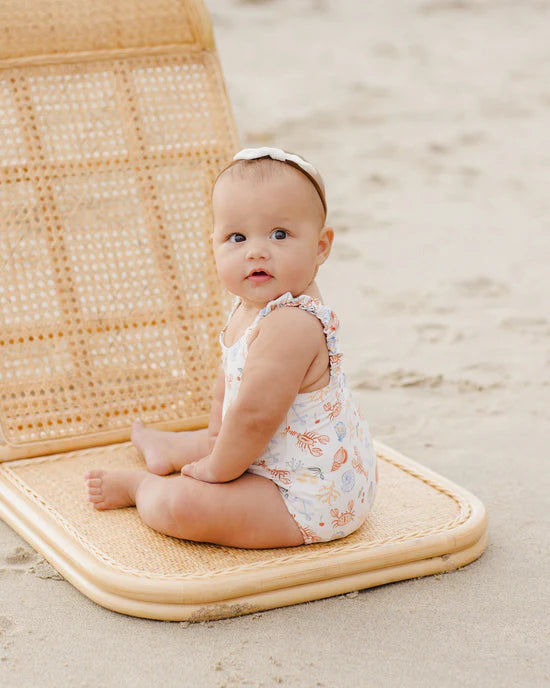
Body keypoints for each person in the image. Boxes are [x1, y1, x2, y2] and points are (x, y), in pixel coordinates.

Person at [85, 147, 377, 548]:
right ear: (215, 245)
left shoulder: (291, 323)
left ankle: (140, 488)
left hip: (308, 499)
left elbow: (256, 415)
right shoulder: (252, 306)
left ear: (321, 246)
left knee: (182, 506)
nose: (256, 251)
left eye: (280, 234)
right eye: (237, 237)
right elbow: (232, 386)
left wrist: (217, 470)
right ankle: (171, 449)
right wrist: (214, 438)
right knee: (222, 437)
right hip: (273, 458)